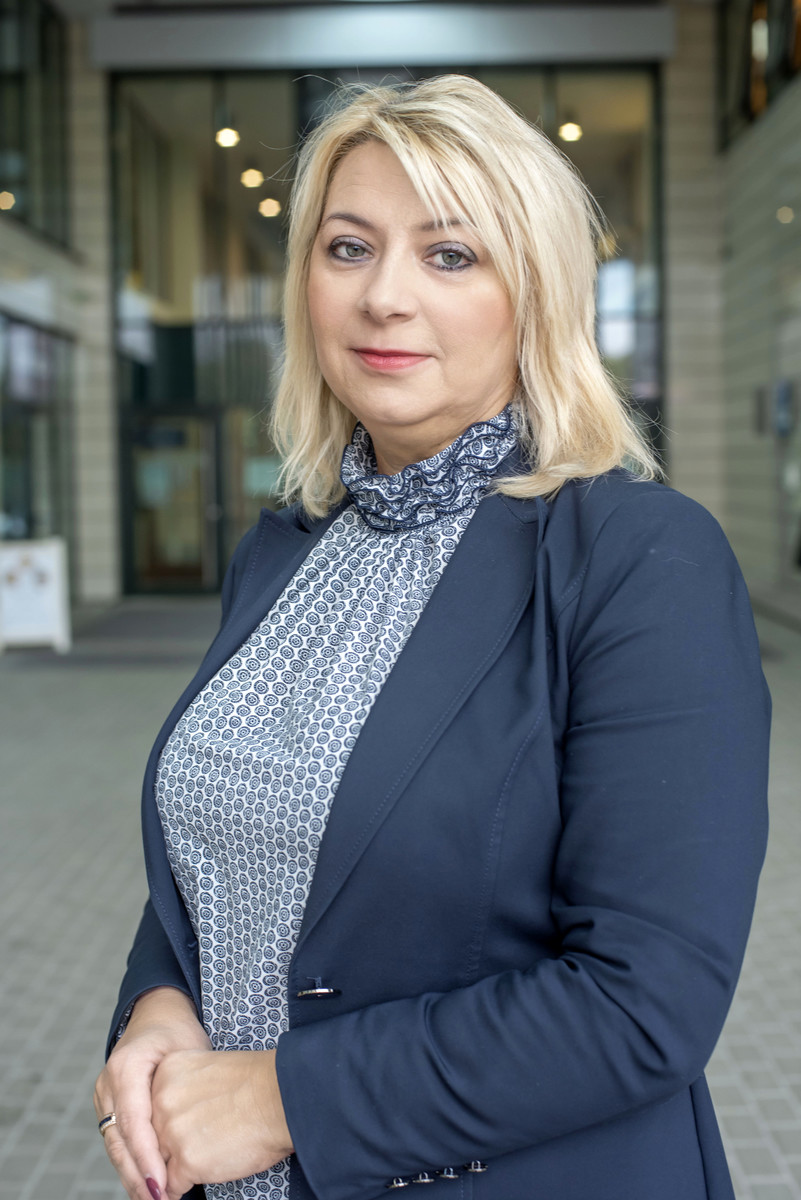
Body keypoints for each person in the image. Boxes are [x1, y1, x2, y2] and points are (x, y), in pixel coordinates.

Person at [94, 75, 770, 1200]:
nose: (383, 298)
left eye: (450, 255)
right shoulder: (287, 546)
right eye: (348, 248)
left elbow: (643, 1003)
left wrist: (282, 1100)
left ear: (534, 294)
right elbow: (234, 840)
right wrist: (158, 1001)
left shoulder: (642, 560)